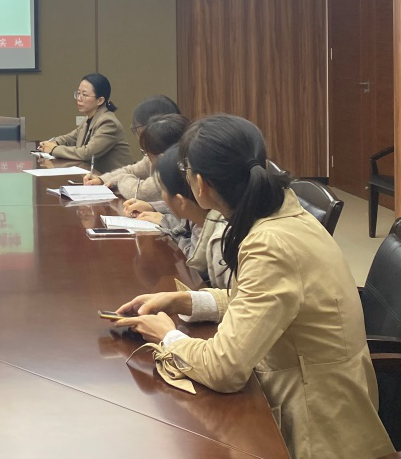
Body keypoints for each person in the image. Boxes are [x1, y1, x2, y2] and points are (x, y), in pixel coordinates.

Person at [113, 115, 393, 459]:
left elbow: (225, 369)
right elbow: (255, 300)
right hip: (312, 394)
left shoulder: (269, 244)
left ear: (199, 184)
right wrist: (184, 301)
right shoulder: (280, 214)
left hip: (316, 427)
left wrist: (167, 337)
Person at [139, 144, 228, 286]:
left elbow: (193, 262)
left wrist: (170, 228)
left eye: (162, 190)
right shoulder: (200, 217)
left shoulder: (219, 240)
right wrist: (154, 208)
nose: (162, 197)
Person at [83, 95, 181, 201]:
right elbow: (132, 170)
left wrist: (120, 180)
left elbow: (141, 192)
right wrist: (102, 179)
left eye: (136, 129)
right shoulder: (156, 153)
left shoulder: (174, 160)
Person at [37, 73, 131, 173]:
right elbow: (71, 138)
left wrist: (54, 149)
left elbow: (87, 153)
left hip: (115, 180)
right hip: (95, 176)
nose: (79, 98)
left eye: (85, 95)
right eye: (78, 93)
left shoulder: (108, 122)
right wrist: (53, 142)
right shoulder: (89, 118)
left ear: (100, 100)